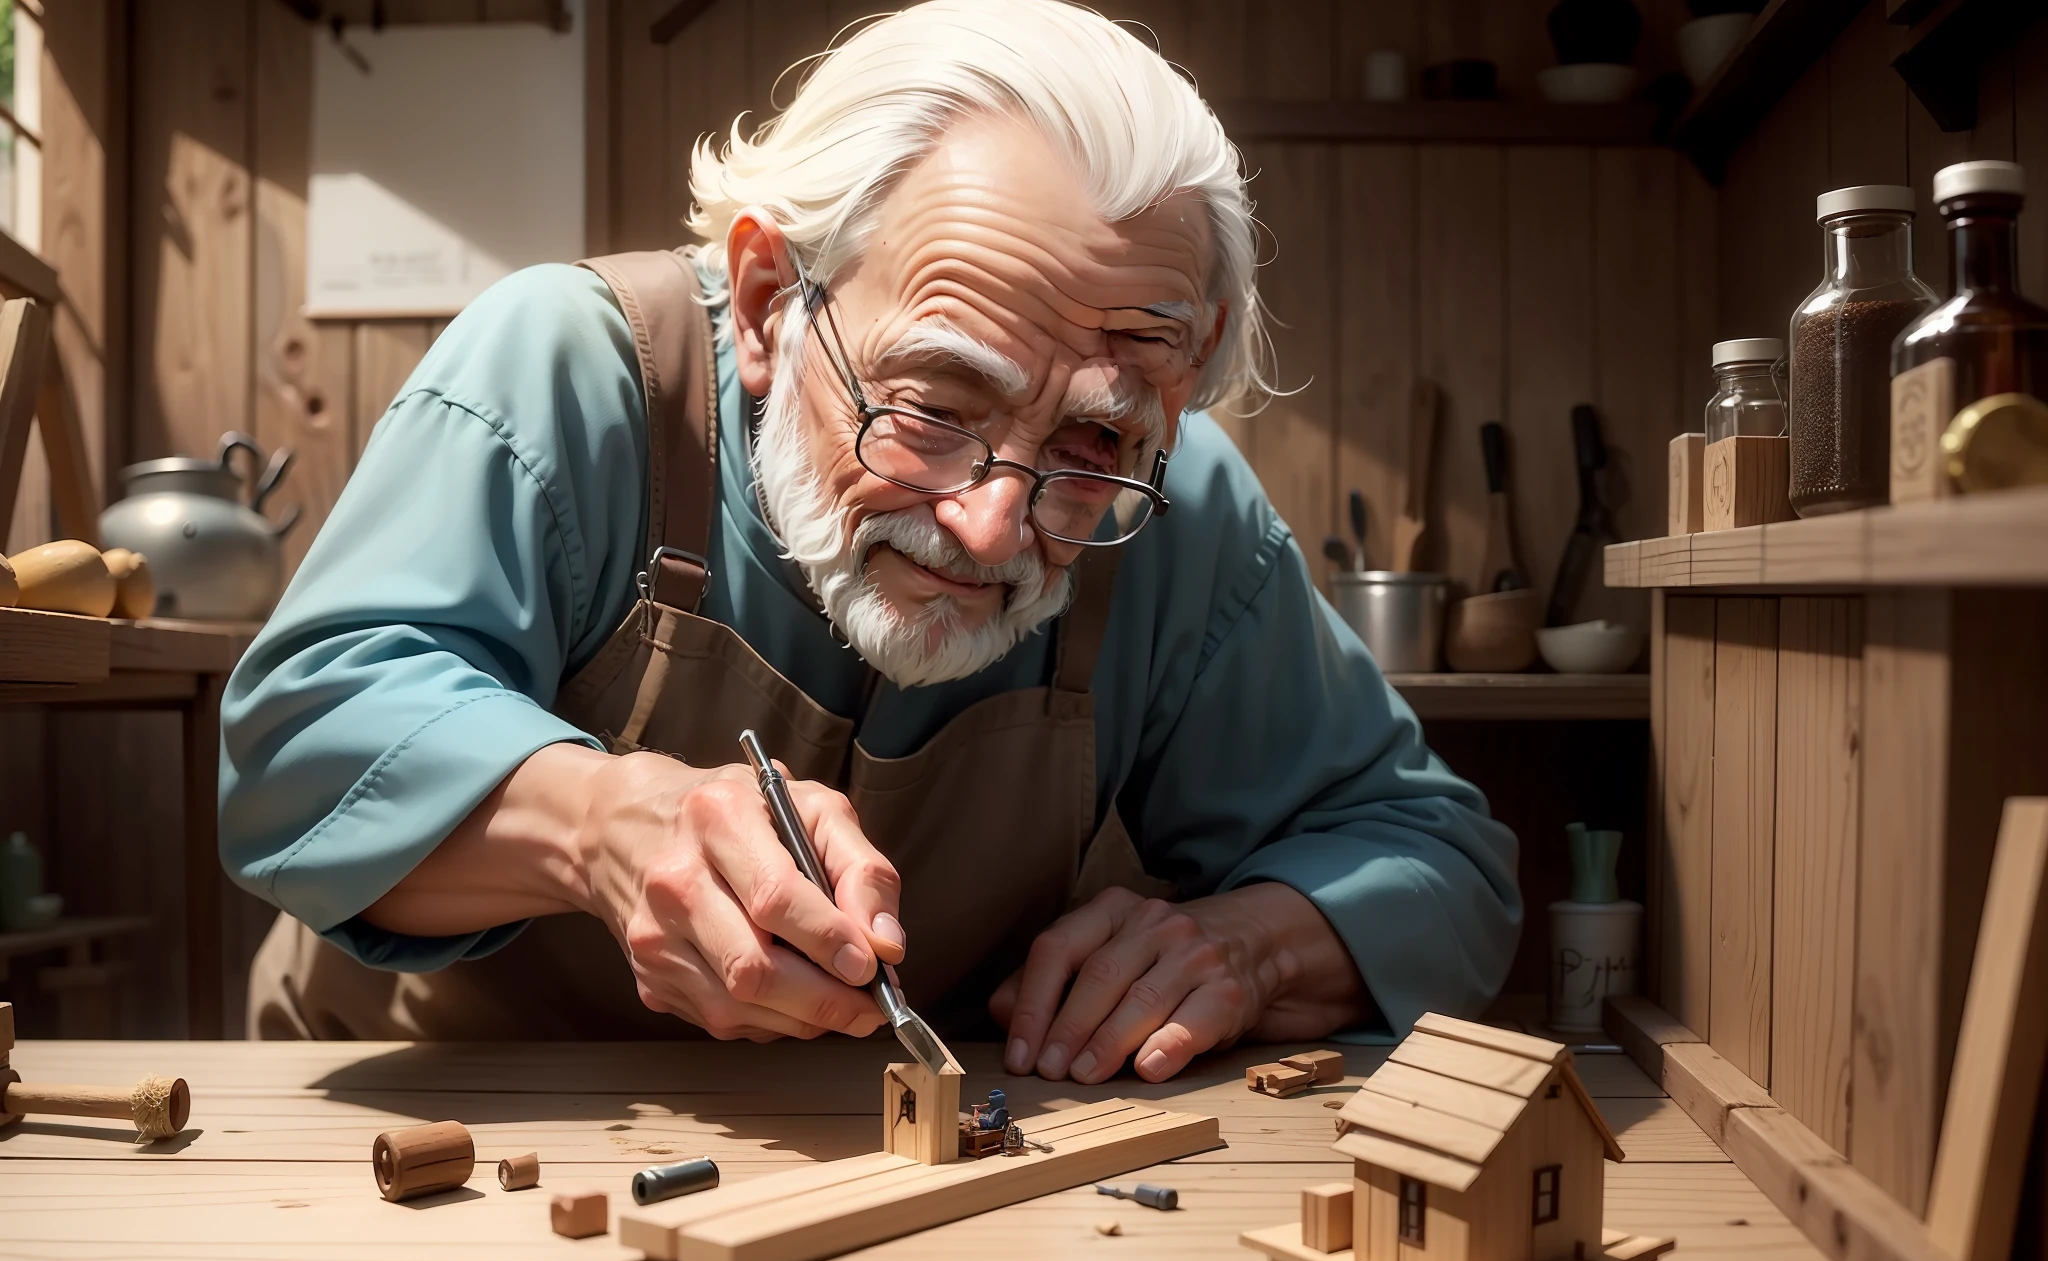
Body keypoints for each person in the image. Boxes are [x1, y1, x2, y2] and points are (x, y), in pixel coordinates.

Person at [220, 0, 1520, 1083]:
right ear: (775, 301)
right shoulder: (575, 373)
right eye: (935, 408)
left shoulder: (1179, 519)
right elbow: (297, 742)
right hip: (430, 1142)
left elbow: (1443, 868)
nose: (993, 523)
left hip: (891, 1180)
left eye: (1089, 446)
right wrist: (605, 824)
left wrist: (1247, 946)